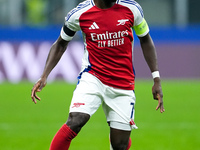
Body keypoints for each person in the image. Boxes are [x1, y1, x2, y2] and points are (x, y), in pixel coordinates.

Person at [31, 0, 165, 149]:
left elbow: (145, 39)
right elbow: (61, 43)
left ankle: (119, 130)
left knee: (119, 144)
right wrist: (44, 76)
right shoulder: (79, 14)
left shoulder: (132, 9)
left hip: (123, 83)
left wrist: (156, 78)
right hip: (93, 77)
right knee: (76, 120)